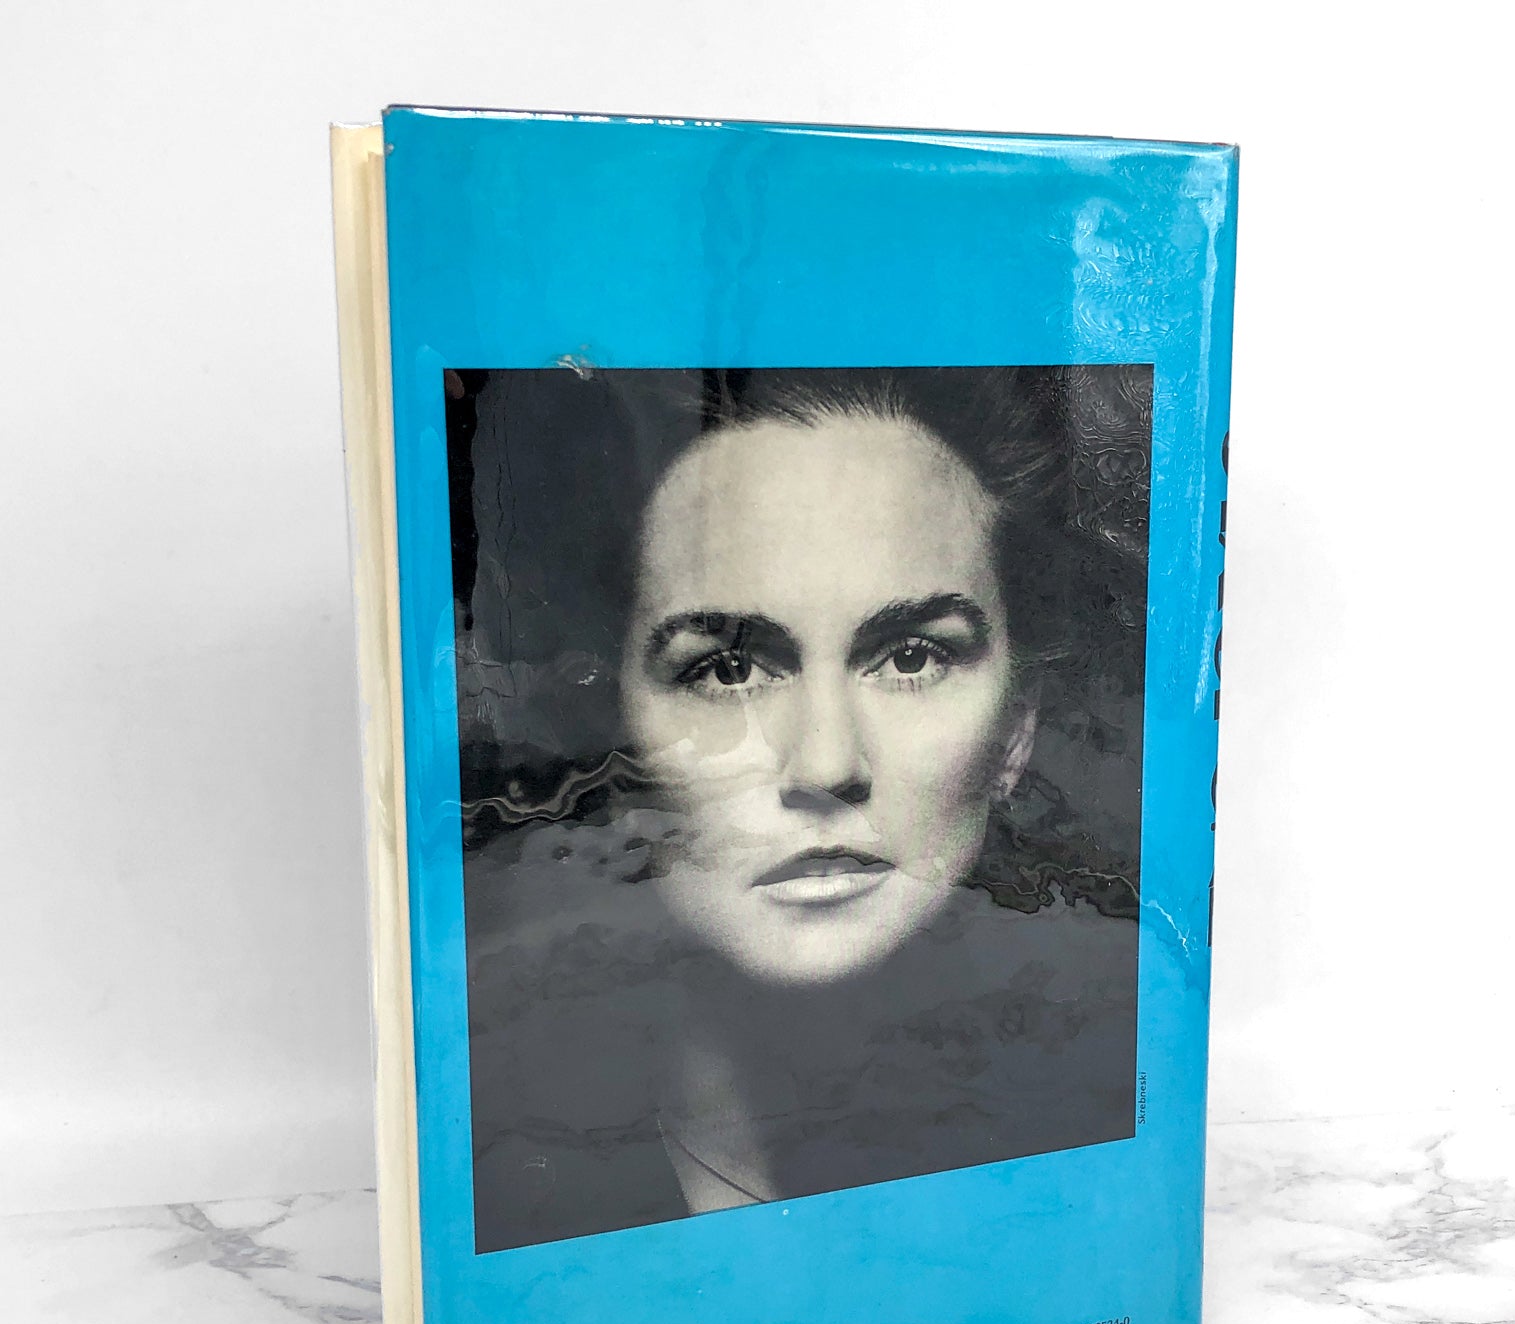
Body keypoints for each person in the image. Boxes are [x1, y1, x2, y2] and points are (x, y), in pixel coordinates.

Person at [450, 366, 1150, 1251]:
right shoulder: (497, 1170)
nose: (827, 764)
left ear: (1017, 728)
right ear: (612, 726)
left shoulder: (1113, 1128)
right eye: (730, 669)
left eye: (911, 657)